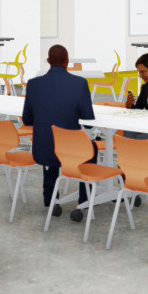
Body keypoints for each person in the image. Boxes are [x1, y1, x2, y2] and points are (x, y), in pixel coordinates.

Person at [21, 44, 95, 220]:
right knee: (91, 147)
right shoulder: (80, 84)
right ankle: (84, 200)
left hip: (43, 151)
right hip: (72, 153)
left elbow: (27, 120)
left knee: (51, 141)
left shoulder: (33, 84)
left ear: (48, 61)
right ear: (67, 61)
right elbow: (89, 121)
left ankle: (50, 198)